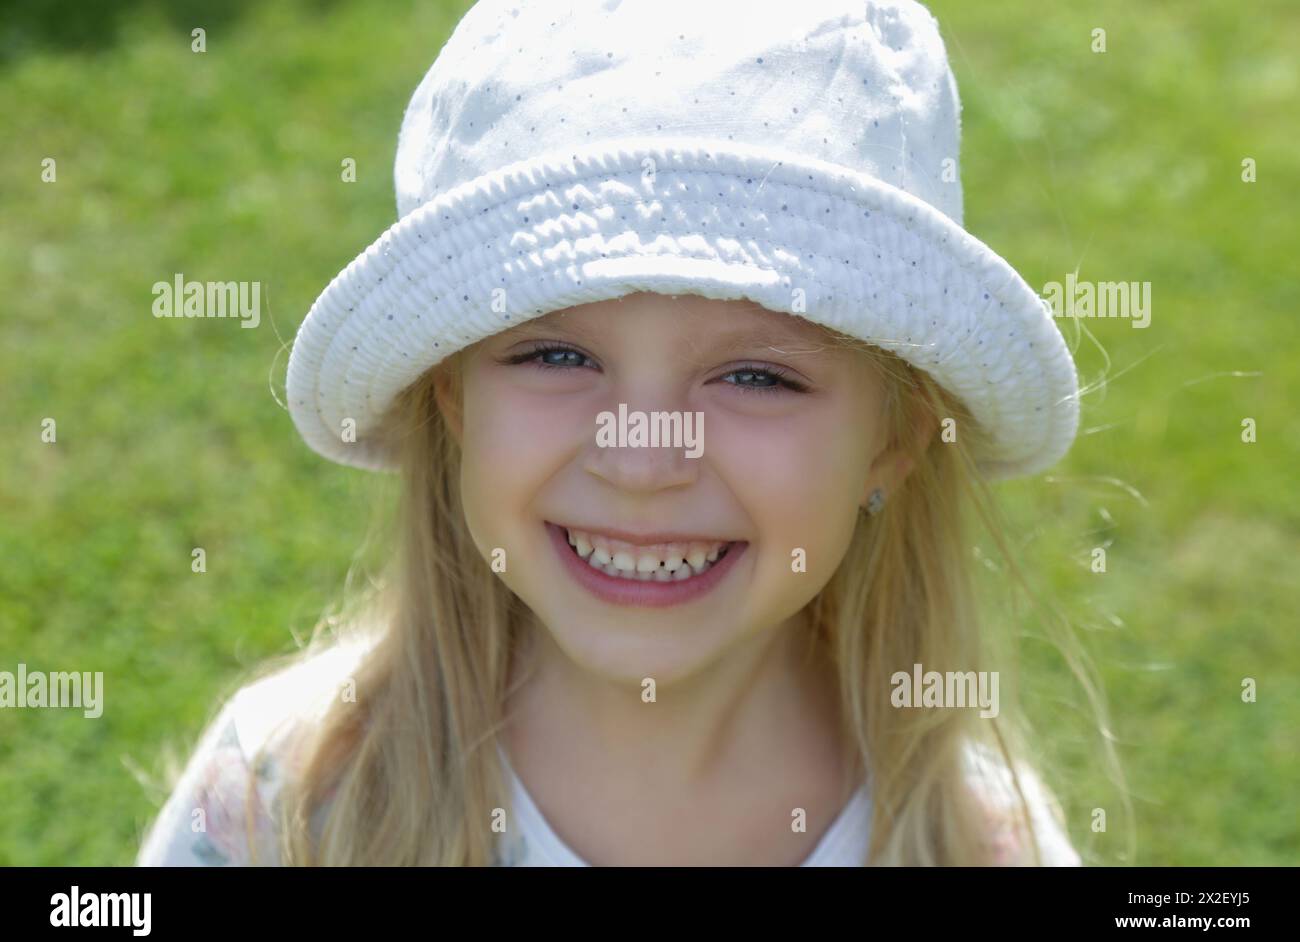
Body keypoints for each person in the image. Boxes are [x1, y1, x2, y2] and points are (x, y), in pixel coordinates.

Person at [137, 0, 1090, 866]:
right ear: (453, 397)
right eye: (555, 357)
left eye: (757, 375)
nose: (640, 461)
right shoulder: (289, 798)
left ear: (894, 440)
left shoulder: (972, 842)